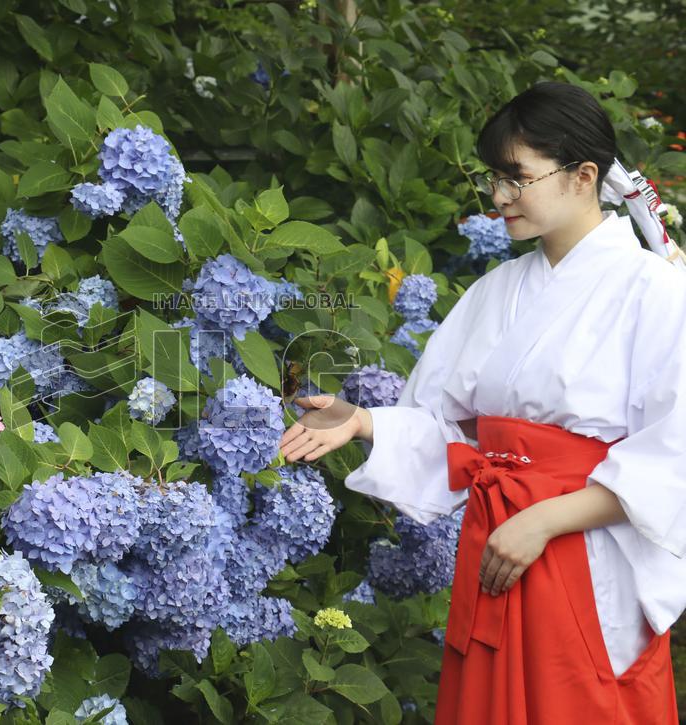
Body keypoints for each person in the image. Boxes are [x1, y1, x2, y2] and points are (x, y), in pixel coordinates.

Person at [279, 81, 684, 724]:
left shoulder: (655, 290)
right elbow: (448, 427)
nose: (499, 196)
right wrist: (362, 421)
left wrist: (544, 521)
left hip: (583, 551)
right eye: (494, 178)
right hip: (498, 542)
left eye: (516, 178)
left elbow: (674, 457)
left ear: (583, 176)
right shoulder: (496, 291)